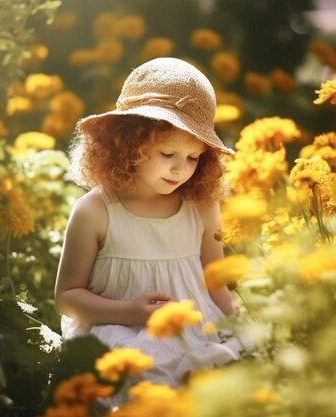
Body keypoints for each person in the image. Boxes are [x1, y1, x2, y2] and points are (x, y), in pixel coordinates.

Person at [54, 57, 241, 389]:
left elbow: (216, 282)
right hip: (118, 332)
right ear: (126, 144)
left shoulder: (201, 207)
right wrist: (130, 313)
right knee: (142, 385)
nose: (180, 169)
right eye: (168, 154)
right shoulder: (95, 211)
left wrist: (240, 326)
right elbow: (67, 296)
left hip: (194, 330)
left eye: (194, 157)